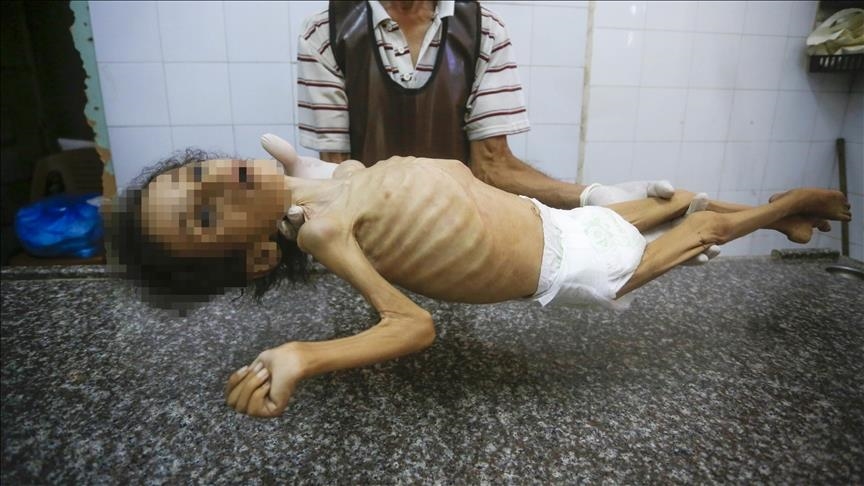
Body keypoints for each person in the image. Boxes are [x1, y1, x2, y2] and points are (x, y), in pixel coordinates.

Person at [108, 147, 851, 418]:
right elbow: (413, 326)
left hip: (542, 218)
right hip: (562, 265)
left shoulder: (327, 188)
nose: (219, 181)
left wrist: (313, 170)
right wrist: (303, 354)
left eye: (197, 173)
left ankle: (772, 215)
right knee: (689, 234)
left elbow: (384, 177)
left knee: (671, 206)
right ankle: (777, 209)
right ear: (256, 261)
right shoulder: (326, 230)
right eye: (207, 214)